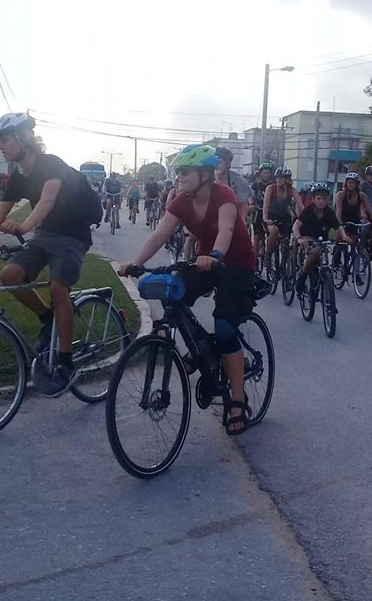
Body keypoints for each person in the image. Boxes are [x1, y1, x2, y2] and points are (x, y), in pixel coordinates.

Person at [0, 112, 94, 397]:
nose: (0, 147)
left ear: (22, 139)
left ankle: (65, 363)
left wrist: (24, 226)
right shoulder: (17, 177)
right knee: (10, 275)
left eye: (4, 140)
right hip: (45, 235)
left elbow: (48, 199)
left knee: (57, 288)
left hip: (72, 236)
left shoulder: (51, 164)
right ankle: (47, 319)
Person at [118, 144, 258, 436]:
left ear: (205, 174)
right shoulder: (182, 200)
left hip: (235, 264)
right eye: (178, 171)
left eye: (184, 171)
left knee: (224, 328)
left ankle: (236, 399)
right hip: (205, 262)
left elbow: (227, 230)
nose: (179, 176)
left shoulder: (225, 195)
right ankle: (203, 349)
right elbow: (159, 234)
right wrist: (135, 262)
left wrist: (216, 255)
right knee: (174, 292)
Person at [292, 182, 347, 293]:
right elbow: (296, 226)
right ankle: (302, 278)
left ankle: (329, 302)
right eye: (319, 198)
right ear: (313, 199)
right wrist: (299, 238)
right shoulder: (308, 211)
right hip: (307, 240)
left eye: (324, 199)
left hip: (322, 241)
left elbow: (338, 226)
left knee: (323, 263)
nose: (321, 201)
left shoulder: (329, 212)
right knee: (315, 252)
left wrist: (344, 236)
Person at [334, 172, 372, 281]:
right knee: (340, 243)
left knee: (355, 246)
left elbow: (369, 210)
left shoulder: (361, 195)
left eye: (353, 183)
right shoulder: (341, 195)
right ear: (346, 183)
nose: (351, 185)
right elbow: (338, 211)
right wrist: (339, 225)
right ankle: (336, 262)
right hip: (342, 220)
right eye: (349, 182)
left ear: (357, 184)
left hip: (354, 221)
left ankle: (356, 273)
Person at [263, 166, 303, 266]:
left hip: (285, 219)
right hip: (271, 218)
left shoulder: (291, 190)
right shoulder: (270, 188)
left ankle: (285, 264)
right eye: (277, 177)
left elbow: (300, 205)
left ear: (287, 179)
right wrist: (265, 219)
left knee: (286, 242)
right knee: (274, 231)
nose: (278, 180)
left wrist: (305, 218)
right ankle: (268, 255)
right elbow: (266, 205)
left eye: (281, 178)